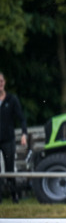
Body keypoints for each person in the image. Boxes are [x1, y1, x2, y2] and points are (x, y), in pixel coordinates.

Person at [0, 71, 29, 203]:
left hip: (8, 139)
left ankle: (14, 195)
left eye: (1, 81)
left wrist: (24, 134)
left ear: (4, 82)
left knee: (9, 167)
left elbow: (21, 119)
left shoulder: (12, 100)